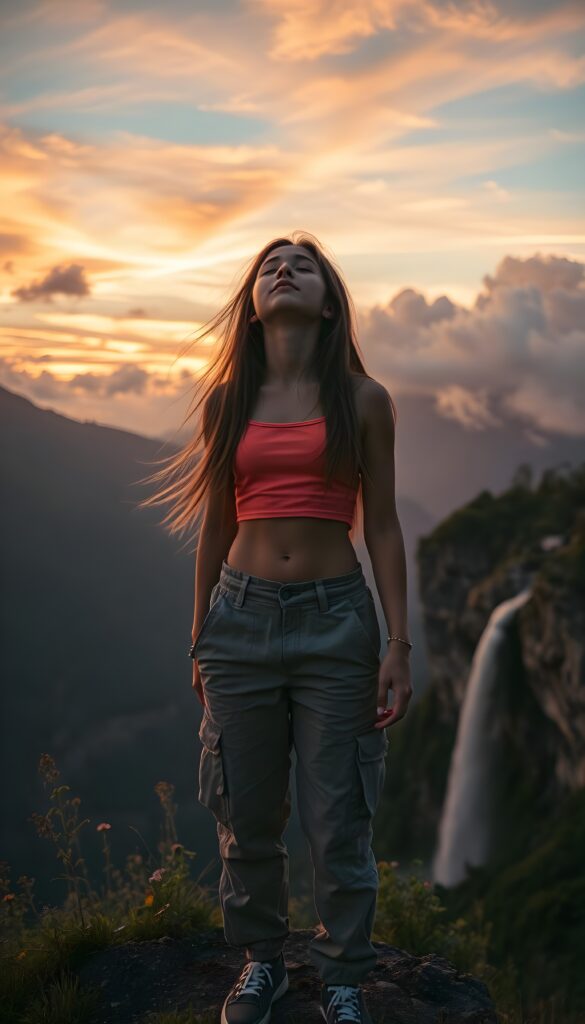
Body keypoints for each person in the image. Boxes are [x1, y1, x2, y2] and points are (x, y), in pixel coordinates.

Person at [139, 231, 413, 1024]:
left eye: (302, 266)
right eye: (268, 266)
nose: (282, 270)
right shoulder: (227, 402)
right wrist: (201, 638)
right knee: (246, 813)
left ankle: (342, 980)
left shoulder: (363, 399)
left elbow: (385, 527)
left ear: (328, 303)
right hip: (240, 620)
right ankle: (261, 963)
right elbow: (215, 526)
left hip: (338, 623)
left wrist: (397, 643)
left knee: (338, 818)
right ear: (253, 310)